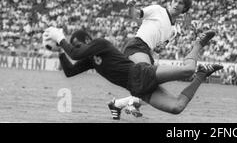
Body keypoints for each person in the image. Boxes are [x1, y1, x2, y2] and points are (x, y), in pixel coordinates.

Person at [43, 26, 222, 120]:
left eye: (78, 44)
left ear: (87, 40)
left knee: (187, 69)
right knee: (177, 107)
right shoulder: (91, 59)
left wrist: (60, 38)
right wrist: (59, 50)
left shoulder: (100, 43)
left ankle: (198, 44)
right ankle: (202, 75)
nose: (77, 49)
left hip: (139, 74)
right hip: (136, 89)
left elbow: (75, 53)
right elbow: (70, 71)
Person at [117, 0, 193, 118]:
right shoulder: (157, 10)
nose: (176, 4)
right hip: (137, 45)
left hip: (148, 52)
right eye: (175, 1)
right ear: (171, 2)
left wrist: (160, 47)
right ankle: (131, 103)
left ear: (184, 8)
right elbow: (135, 14)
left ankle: (118, 104)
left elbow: (159, 48)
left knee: (150, 86)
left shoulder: (174, 30)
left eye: (180, 3)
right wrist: (131, 6)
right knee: (147, 78)